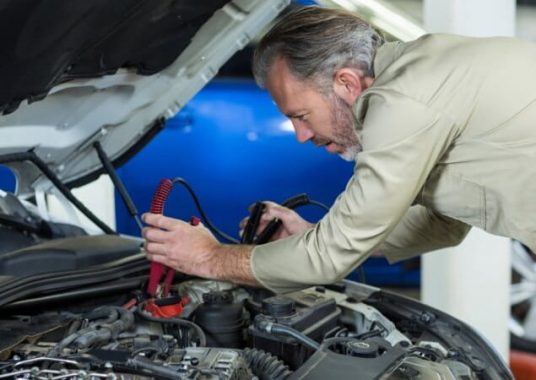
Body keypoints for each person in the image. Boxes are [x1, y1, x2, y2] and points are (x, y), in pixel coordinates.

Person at [142, 6, 536, 294]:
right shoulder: (426, 72)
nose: (300, 134)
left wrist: (210, 259)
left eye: (302, 115)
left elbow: (330, 257)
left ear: (346, 83)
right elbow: (442, 223)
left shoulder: (404, 100)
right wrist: (313, 234)